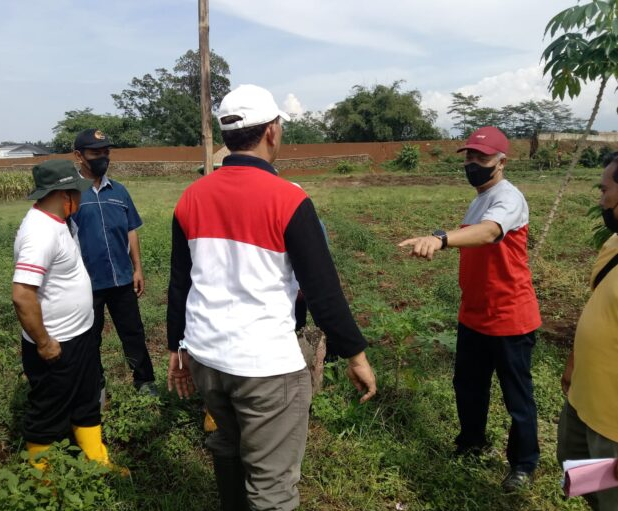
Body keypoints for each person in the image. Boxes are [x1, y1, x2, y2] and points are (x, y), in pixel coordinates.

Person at [166, 84, 377, 511]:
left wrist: (177, 345)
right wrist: (355, 355)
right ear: (273, 133)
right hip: (265, 368)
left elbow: (179, 282)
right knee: (272, 488)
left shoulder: (192, 196)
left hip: (206, 359)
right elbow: (321, 288)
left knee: (228, 443)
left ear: (227, 137)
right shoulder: (289, 199)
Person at [399, 126, 541, 492]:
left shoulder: (508, 197)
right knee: (469, 386)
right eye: (470, 157)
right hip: (475, 313)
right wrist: (440, 238)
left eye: (482, 157)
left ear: (502, 161)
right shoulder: (479, 198)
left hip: (510, 315)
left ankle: (523, 464)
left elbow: (490, 233)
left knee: (517, 398)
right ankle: (472, 442)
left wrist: (441, 239)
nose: (473, 164)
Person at [12, 159, 122, 472]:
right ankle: (44, 482)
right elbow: (22, 295)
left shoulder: (60, 222)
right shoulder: (40, 232)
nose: (82, 196)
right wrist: (45, 343)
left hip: (80, 337)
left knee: (86, 401)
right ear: (63, 194)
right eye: (77, 190)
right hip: (56, 345)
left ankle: (97, 461)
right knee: (47, 411)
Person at [72, 129, 156, 398]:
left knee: (133, 332)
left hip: (121, 278)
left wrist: (138, 267)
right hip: (87, 283)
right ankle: (97, 387)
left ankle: (144, 381)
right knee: (90, 338)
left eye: (106, 152)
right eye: (96, 153)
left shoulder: (119, 191)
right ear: (79, 156)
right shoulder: (70, 194)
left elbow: (131, 229)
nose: (103, 157)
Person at [557, 153, 618, 511]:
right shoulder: (613, 246)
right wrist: (573, 364)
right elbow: (597, 309)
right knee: (586, 486)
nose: (601, 200)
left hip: (612, 427)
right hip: (583, 404)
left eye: (605, 190)